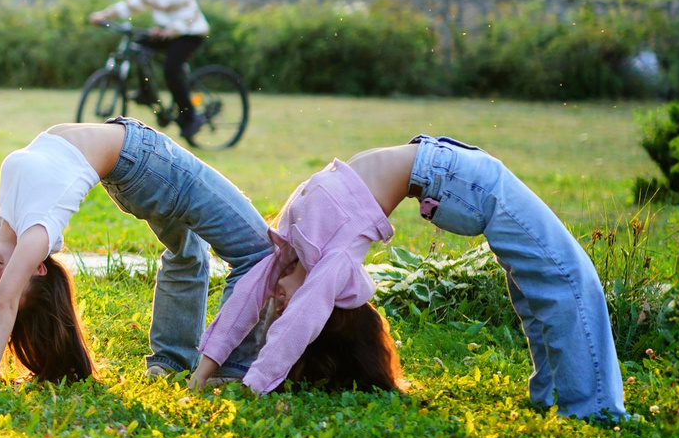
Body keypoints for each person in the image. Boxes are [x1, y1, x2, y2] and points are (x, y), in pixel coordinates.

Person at [199, 139, 623, 416]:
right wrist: (256, 388)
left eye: (277, 303)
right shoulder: (333, 262)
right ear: (320, 303)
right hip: (462, 180)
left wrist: (202, 373)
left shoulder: (290, 243)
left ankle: (566, 401)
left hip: (448, 167)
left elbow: (245, 298)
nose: (276, 298)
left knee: (546, 289)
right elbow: (298, 325)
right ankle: (586, 408)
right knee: (562, 281)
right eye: (282, 305)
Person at [0, 119, 273, 386]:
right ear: (38, 268)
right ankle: (228, 370)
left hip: (128, 169)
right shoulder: (36, 235)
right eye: (7, 281)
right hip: (145, 160)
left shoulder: (1, 231)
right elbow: (5, 303)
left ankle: (169, 362)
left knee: (187, 253)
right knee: (259, 252)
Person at [192, 158, 403, 395]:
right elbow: (267, 314)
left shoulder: (306, 259)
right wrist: (200, 376)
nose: (279, 306)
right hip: (427, 167)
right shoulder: (321, 265)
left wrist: (250, 388)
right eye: (287, 308)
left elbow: (282, 324)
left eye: (282, 310)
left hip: (424, 169)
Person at [88, 0, 211, 141]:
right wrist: (103, 15)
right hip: (165, 32)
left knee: (172, 70)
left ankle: (190, 117)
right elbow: (129, 6)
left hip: (190, 33)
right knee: (138, 46)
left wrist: (169, 31)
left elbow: (187, 17)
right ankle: (146, 93)